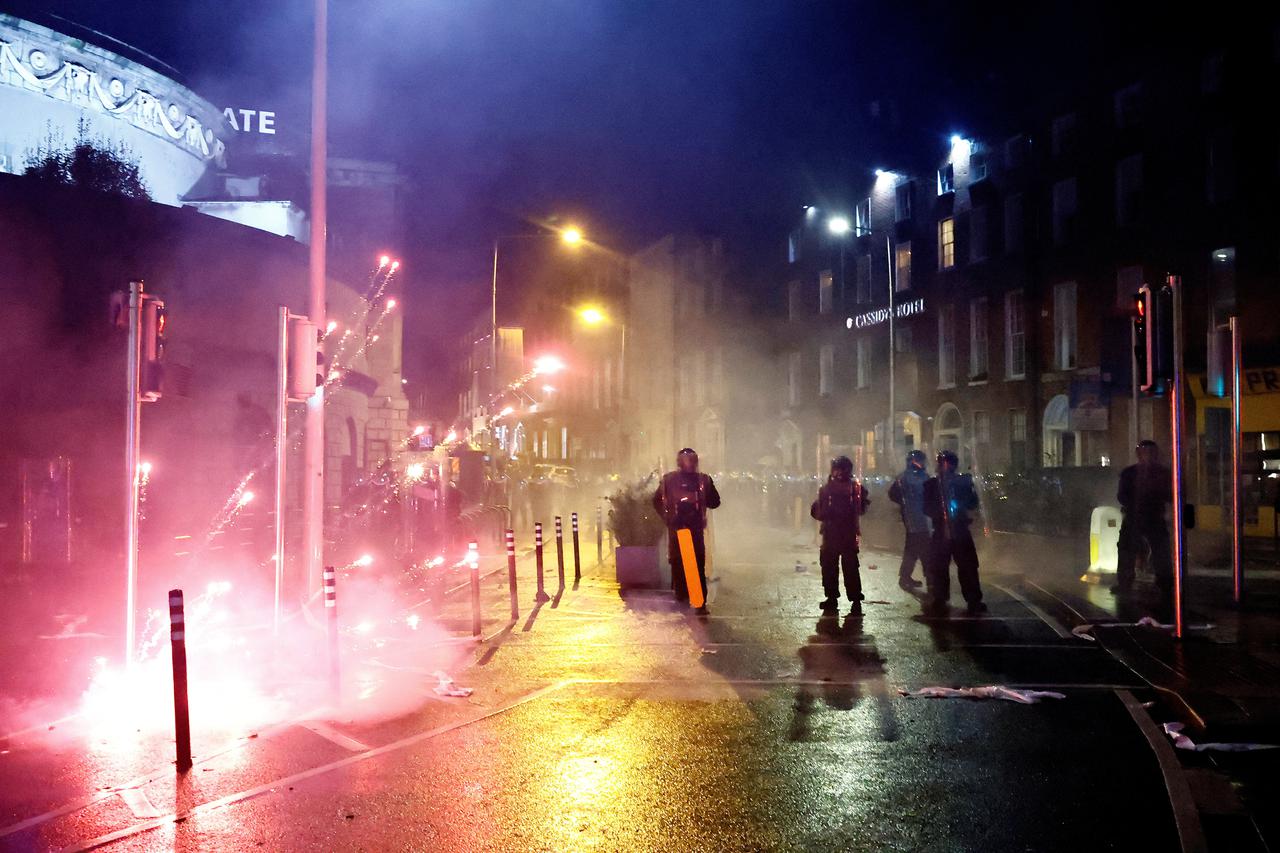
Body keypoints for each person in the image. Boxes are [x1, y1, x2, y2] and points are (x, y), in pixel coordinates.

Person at [653, 448, 721, 614]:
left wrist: (669, 516)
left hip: (691, 528)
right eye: (686, 460)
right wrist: (668, 517)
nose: (688, 463)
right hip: (682, 528)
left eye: (690, 459)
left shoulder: (701, 480)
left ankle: (692, 601)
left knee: (691, 564)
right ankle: (688, 600)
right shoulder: (672, 480)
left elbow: (714, 501)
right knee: (683, 563)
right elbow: (657, 501)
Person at [922, 450, 986, 616]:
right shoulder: (931, 485)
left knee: (968, 566)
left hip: (960, 529)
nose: (946, 467)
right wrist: (939, 513)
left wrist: (964, 496)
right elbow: (926, 508)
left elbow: (973, 503)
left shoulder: (962, 482)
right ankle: (940, 597)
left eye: (948, 463)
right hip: (941, 530)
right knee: (939, 567)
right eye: (943, 463)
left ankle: (973, 599)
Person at [1114, 440, 1173, 609]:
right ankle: (1127, 581)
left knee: (1159, 549)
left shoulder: (1160, 473)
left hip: (1150, 515)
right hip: (1137, 515)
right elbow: (1122, 495)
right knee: (1128, 547)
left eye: (1150, 453)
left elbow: (1170, 494)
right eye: (1144, 453)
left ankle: (1164, 582)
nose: (1147, 456)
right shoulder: (1131, 473)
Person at [811, 456, 871, 613]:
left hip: (845, 532)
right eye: (837, 469)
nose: (839, 473)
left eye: (841, 469)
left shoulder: (854, 489)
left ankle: (854, 597)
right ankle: (834, 597)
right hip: (833, 533)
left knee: (849, 567)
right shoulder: (827, 489)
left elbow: (862, 509)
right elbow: (818, 512)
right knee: (830, 566)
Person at [888, 449, 930, 591]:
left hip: (922, 517)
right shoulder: (905, 478)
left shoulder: (923, 476)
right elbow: (893, 494)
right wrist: (905, 503)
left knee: (914, 548)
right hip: (914, 518)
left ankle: (906, 576)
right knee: (922, 547)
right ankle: (929, 578)